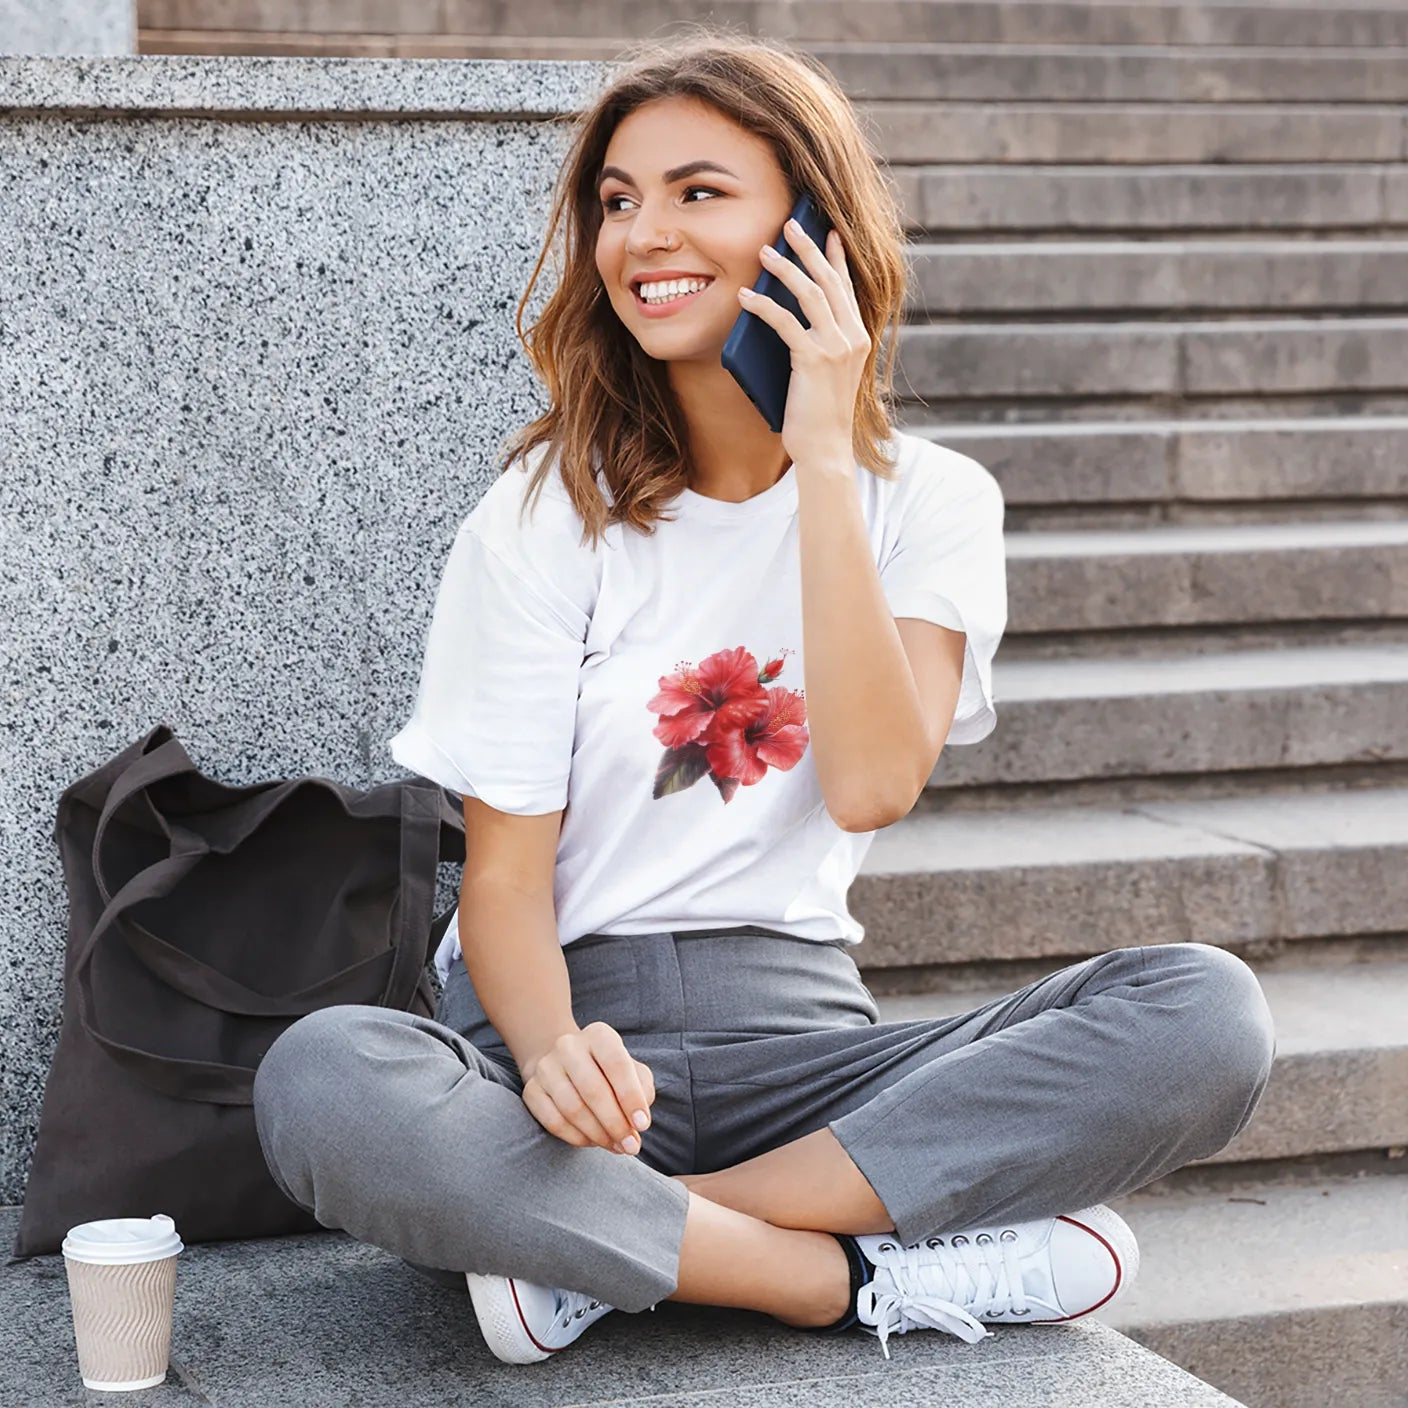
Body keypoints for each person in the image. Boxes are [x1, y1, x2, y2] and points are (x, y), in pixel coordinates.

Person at [251, 30, 1278, 1367]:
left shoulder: (933, 503)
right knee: (322, 1080)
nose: (640, 235)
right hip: (570, 1054)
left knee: (1203, 1016)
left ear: (813, 231)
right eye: (616, 200)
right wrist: (556, 1051)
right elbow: (502, 882)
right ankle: (828, 1279)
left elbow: (870, 782)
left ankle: (598, 1248)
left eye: (697, 191)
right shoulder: (546, 509)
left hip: (807, 1064)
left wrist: (823, 463)